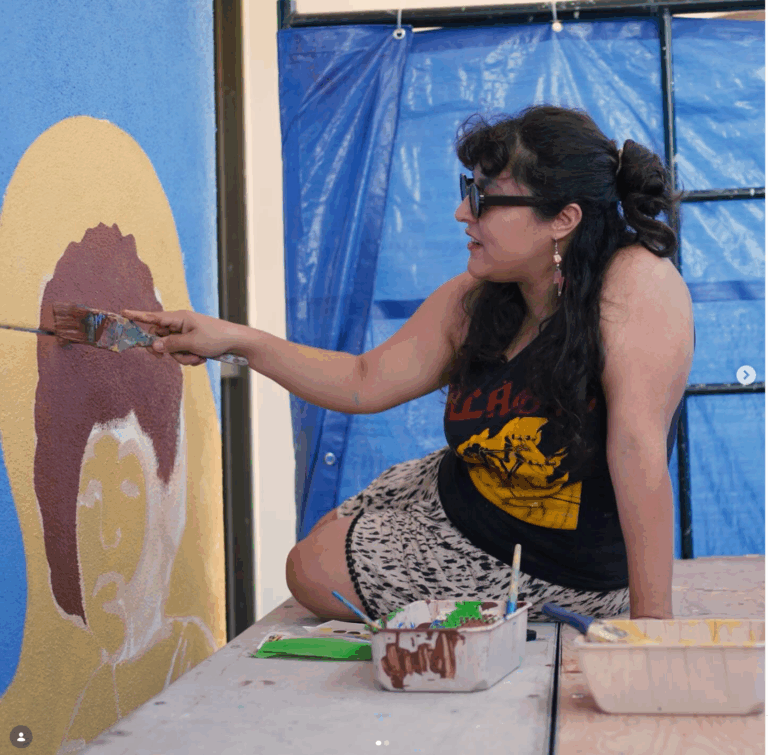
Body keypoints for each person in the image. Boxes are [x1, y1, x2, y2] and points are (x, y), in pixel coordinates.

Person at [125, 104, 694, 623]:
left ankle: (523, 612)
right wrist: (235, 340)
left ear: (563, 219)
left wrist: (652, 633)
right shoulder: (483, 295)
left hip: (557, 563)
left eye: (484, 198)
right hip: (469, 491)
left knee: (311, 570)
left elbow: (637, 450)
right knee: (319, 548)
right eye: (467, 189)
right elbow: (363, 381)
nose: (461, 212)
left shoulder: (637, 284)